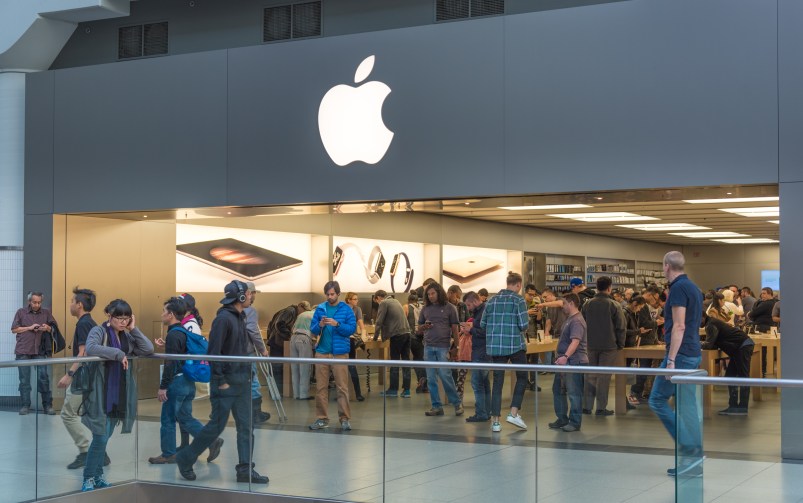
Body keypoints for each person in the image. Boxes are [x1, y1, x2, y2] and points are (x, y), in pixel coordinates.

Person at [176, 280, 269, 485]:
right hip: (227, 384)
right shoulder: (224, 319)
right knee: (216, 426)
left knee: (246, 427)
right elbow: (214, 352)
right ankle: (186, 458)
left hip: (242, 381)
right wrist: (221, 381)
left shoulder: (240, 316)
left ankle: (245, 469)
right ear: (242, 296)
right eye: (248, 293)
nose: (251, 296)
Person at [81, 299, 154, 491]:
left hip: (120, 393)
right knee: (101, 437)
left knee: (105, 435)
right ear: (109, 315)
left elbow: (148, 349)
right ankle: (89, 476)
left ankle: (97, 476)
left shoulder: (127, 336)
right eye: (119, 318)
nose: (122, 322)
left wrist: (134, 329)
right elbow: (91, 347)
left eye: (126, 318)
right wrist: (118, 354)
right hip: (100, 392)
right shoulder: (99, 331)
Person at [647, 251, 703, 478]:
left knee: (657, 399)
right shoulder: (693, 287)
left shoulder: (678, 288)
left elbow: (679, 326)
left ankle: (689, 448)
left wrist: (670, 361)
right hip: (691, 352)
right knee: (687, 405)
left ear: (666, 266)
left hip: (679, 356)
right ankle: (694, 459)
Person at [149, 297, 224, 465]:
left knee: (167, 419)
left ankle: (168, 454)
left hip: (176, 382)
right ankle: (211, 441)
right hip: (188, 382)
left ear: (171, 314)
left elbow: (171, 363)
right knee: (185, 417)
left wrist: (163, 386)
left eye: (164, 311)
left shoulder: (174, 334)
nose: (162, 314)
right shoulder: (183, 332)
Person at [481, 271, 530, 432]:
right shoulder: (519, 300)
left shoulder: (491, 300)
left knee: (497, 382)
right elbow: (524, 325)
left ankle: (495, 422)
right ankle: (513, 413)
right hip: (515, 345)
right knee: (522, 377)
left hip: (496, 347)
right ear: (518, 285)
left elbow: (482, 324)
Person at [58, 287, 99, 469]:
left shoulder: (83, 324)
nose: (70, 304)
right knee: (89, 416)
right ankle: (100, 452)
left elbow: (83, 353)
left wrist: (69, 374)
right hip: (92, 376)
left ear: (79, 305)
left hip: (83, 377)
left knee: (67, 413)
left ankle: (85, 451)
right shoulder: (90, 322)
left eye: (72, 301)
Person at [308, 281, 357, 431]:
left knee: (342, 387)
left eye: (332, 294)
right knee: (321, 387)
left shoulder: (346, 310)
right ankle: (322, 418)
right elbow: (313, 330)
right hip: (321, 352)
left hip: (340, 354)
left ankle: (344, 419)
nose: (330, 297)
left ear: (338, 294)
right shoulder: (320, 309)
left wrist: (337, 324)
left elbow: (351, 329)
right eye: (327, 294)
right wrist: (320, 325)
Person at [581, 276, 626, 416]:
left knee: (590, 376)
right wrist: (620, 344)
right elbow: (621, 327)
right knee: (604, 377)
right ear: (609, 288)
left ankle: (587, 407)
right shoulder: (614, 305)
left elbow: (582, 324)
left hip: (590, 345)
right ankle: (601, 408)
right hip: (609, 346)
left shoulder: (587, 304)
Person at [417, 282, 463, 417]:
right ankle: (436, 406)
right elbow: (418, 328)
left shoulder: (450, 308)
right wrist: (423, 327)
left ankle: (456, 403)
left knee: (445, 376)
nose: (431, 296)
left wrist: (457, 346)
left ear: (439, 293)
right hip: (428, 346)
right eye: (428, 294)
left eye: (433, 293)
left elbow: (455, 328)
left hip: (443, 346)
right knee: (431, 378)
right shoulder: (425, 309)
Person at [11, 291, 57, 415]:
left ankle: (48, 405)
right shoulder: (21, 312)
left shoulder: (46, 313)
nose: (37, 305)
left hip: (40, 350)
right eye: (34, 302)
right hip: (23, 350)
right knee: (24, 380)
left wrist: (47, 328)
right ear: (29, 302)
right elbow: (14, 329)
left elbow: (54, 328)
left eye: (39, 302)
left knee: (44, 378)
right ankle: (25, 405)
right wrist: (30, 327)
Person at [549, 292, 588, 432]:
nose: (562, 306)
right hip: (565, 362)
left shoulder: (576, 320)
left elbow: (575, 341)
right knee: (558, 390)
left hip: (574, 361)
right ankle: (562, 418)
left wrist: (565, 356)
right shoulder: (569, 319)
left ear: (571, 303)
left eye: (564, 303)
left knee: (574, 392)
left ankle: (575, 422)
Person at [702, 317, 754, 415]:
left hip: (742, 346)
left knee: (743, 377)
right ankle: (734, 407)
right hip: (740, 346)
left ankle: (742, 408)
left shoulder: (710, 325)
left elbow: (709, 345)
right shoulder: (712, 322)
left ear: (701, 318)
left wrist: (697, 344)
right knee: (731, 376)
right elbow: (713, 343)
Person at [374, 290, 413, 398]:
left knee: (394, 362)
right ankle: (407, 390)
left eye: (376, 301)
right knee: (406, 362)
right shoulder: (396, 301)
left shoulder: (383, 303)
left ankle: (393, 390)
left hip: (397, 335)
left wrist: (375, 337)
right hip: (407, 333)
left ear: (378, 298)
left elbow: (379, 321)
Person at [244, 282, 271, 424]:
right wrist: (262, 349)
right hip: (247, 352)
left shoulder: (227, 310)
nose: (254, 296)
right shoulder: (251, 311)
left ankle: (243, 413)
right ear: (250, 293)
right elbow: (253, 332)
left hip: (232, 353)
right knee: (253, 381)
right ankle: (256, 414)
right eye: (253, 293)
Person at [462, 291, 490, 422]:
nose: (468, 308)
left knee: (477, 383)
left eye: (468, 305)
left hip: (481, 351)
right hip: (483, 351)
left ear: (474, 301)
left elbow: (486, 332)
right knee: (484, 383)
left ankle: (481, 413)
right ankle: (487, 411)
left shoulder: (483, 311)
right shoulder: (481, 311)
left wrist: (470, 330)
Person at [447, 285, 470, 398]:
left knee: (459, 366)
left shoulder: (462, 306)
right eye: (457, 296)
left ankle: (457, 393)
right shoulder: (444, 306)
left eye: (459, 297)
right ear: (450, 293)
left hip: (461, 339)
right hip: (447, 339)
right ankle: (451, 392)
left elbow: (467, 320)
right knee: (450, 367)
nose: (458, 299)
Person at [290, 302, 315, 399]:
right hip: (304, 339)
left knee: (295, 368)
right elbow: (317, 330)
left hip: (293, 339)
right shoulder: (315, 315)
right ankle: (304, 395)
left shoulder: (301, 315)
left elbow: (293, 328)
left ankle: (296, 394)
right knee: (304, 368)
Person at [344, 292, 366, 401]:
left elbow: (360, 322)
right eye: (354, 299)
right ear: (348, 300)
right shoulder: (343, 309)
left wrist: (363, 331)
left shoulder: (357, 309)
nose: (356, 301)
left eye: (357, 299)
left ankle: (357, 393)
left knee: (352, 365)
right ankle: (351, 394)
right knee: (343, 367)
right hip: (344, 339)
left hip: (351, 338)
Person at [405, 292, 427, 393]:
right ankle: (425, 382)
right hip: (422, 336)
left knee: (416, 360)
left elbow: (404, 321)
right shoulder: (423, 307)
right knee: (421, 358)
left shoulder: (407, 307)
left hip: (412, 336)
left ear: (409, 300)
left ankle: (420, 380)